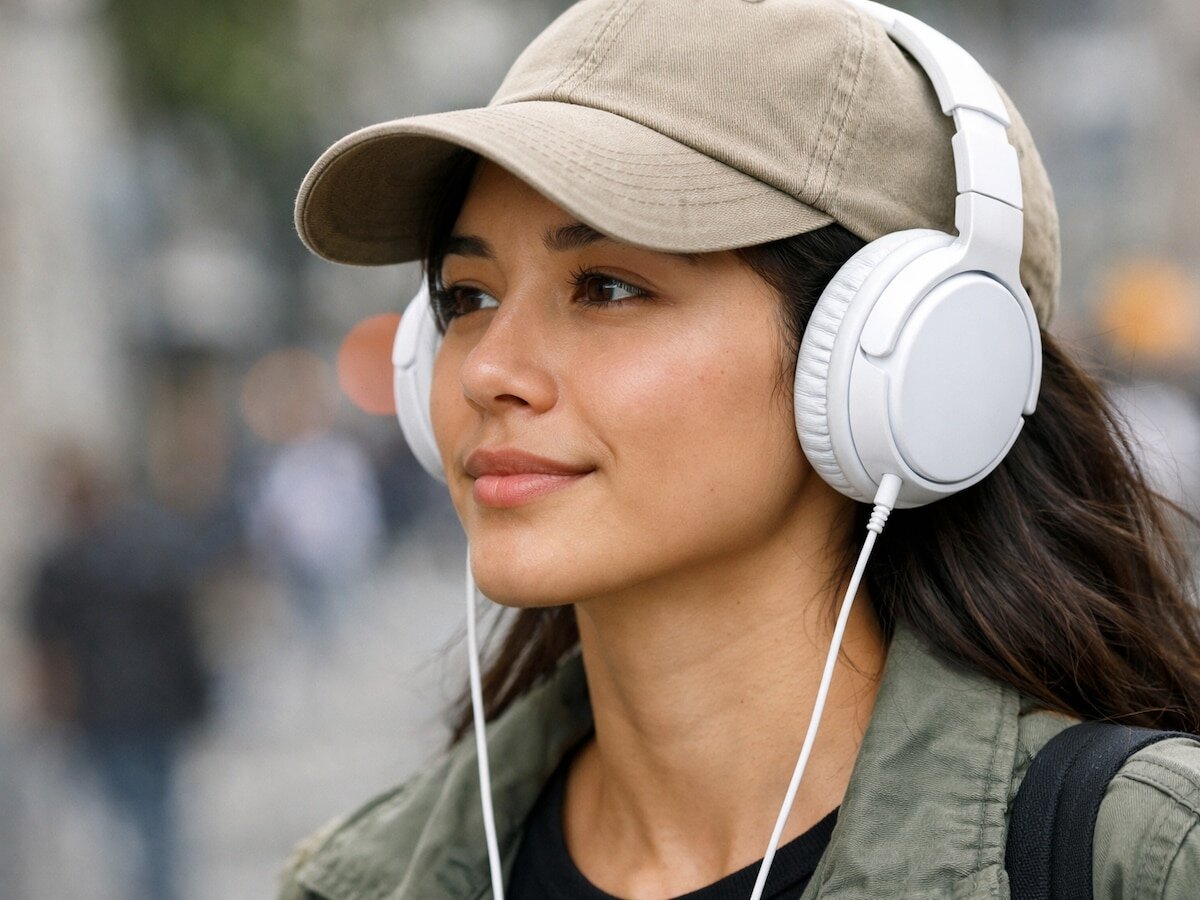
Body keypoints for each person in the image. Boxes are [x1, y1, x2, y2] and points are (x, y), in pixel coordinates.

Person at [279, 1, 1200, 897]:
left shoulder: (1136, 860)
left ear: (897, 361)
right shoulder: (356, 880)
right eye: (466, 299)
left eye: (604, 287)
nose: (487, 372)